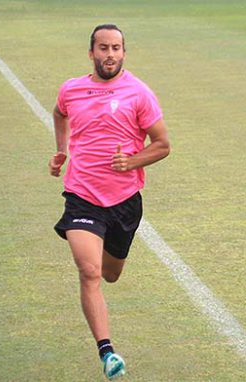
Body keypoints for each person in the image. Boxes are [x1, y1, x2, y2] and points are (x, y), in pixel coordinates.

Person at [49, 24, 170, 380]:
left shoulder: (139, 93)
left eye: (116, 48)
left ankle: (104, 254)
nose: (110, 55)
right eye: (103, 48)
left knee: (110, 273)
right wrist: (61, 151)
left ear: (124, 52)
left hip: (124, 202)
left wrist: (131, 162)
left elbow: (163, 144)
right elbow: (59, 113)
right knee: (89, 272)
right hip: (82, 196)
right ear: (91, 53)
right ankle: (107, 352)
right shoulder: (72, 89)